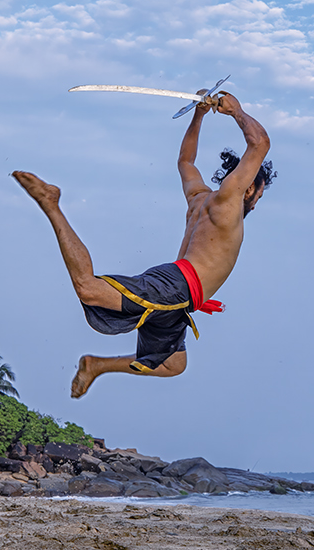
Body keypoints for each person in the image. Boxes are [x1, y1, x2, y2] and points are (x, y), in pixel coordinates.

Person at [14, 91, 274, 397]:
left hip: (178, 297)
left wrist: (199, 115)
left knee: (173, 364)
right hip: (176, 286)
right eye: (259, 194)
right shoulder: (230, 201)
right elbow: (260, 143)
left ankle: (96, 365)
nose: (257, 203)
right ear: (250, 187)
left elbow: (185, 160)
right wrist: (236, 112)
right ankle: (51, 203)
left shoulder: (199, 197)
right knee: (88, 288)